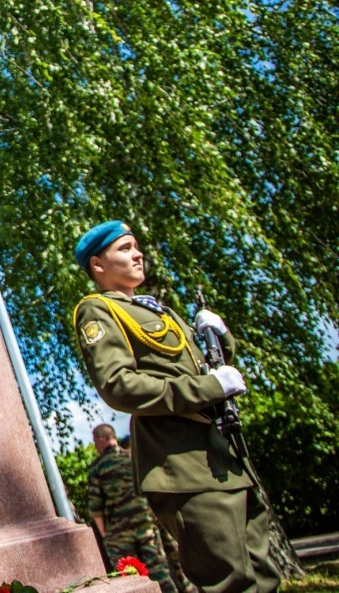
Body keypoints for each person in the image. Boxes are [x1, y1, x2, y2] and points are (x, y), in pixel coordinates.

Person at [72, 221, 280, 593]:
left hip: (225, 455)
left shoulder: (158, 310)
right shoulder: (99, 310)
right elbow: (119, 385)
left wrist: (221, 339)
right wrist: (210, 387)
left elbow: (203, 367)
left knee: (263, 577)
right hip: (182, 462)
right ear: (98, 264)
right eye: (125, 248)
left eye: (136, 246)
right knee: (231, 582)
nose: (137, 254)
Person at [88, 423, 178, 593]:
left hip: (118, 533)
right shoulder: (133, 458)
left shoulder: (98, 467)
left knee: (129, 579)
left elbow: (95, 507)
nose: (95, 445)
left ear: (101, 439)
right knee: (160, 573)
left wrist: (105, 534)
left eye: (95, 441)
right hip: (145, 525)